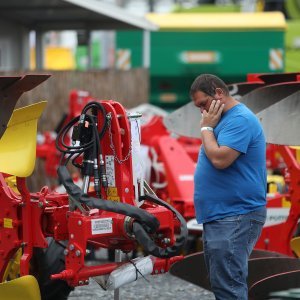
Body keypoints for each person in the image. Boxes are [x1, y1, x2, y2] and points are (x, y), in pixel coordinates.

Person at [191, 74, 267, 300]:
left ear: (219, 93)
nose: (202, 112)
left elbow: (220, 159)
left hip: (235, 214)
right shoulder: (221, 120)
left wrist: (206, 130)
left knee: (229, 286)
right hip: (224, 215)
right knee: (223, 283)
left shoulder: (239, 119)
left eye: (203, 104)